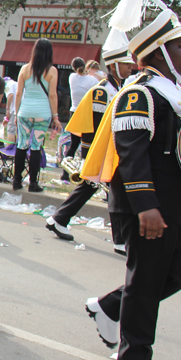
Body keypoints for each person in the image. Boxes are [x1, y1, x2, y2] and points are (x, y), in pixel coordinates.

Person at [82, 0, 181, 360]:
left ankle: (110, 307)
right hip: (150, 205)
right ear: (162, 52)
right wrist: (145, 204)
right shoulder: (140, 93)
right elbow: (131, 154)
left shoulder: (179, 94)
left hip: (180, 202)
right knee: (147, 278)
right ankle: (133, 355)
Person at [46, 29, 133, 254]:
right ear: (113, 65)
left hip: (110, 151)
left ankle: (59, 219)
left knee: (96, 187)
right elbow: (91, 128)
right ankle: (119, 239)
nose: (130, 67)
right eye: (125, 63)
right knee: (109, 190)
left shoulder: (117, 88)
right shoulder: (102, 92)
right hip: (101, 150)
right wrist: (88, 156)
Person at [13, 39, 61, 192]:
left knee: (21, 145)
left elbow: (19, 93)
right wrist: (55, 116)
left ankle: (16, 180)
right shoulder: (52, 71)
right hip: (43, 113)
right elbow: (52, 95)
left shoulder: (25, 69)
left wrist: (16, 113)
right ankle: (33, 183)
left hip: (24, 112)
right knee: (36, 147)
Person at [63, 56, 99, 179]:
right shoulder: (93, 80)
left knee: (73, 144)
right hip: (86, 113)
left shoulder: (72, 77)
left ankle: (65, 173)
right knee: (87, 144)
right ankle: (85, 172)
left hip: (74, 113)